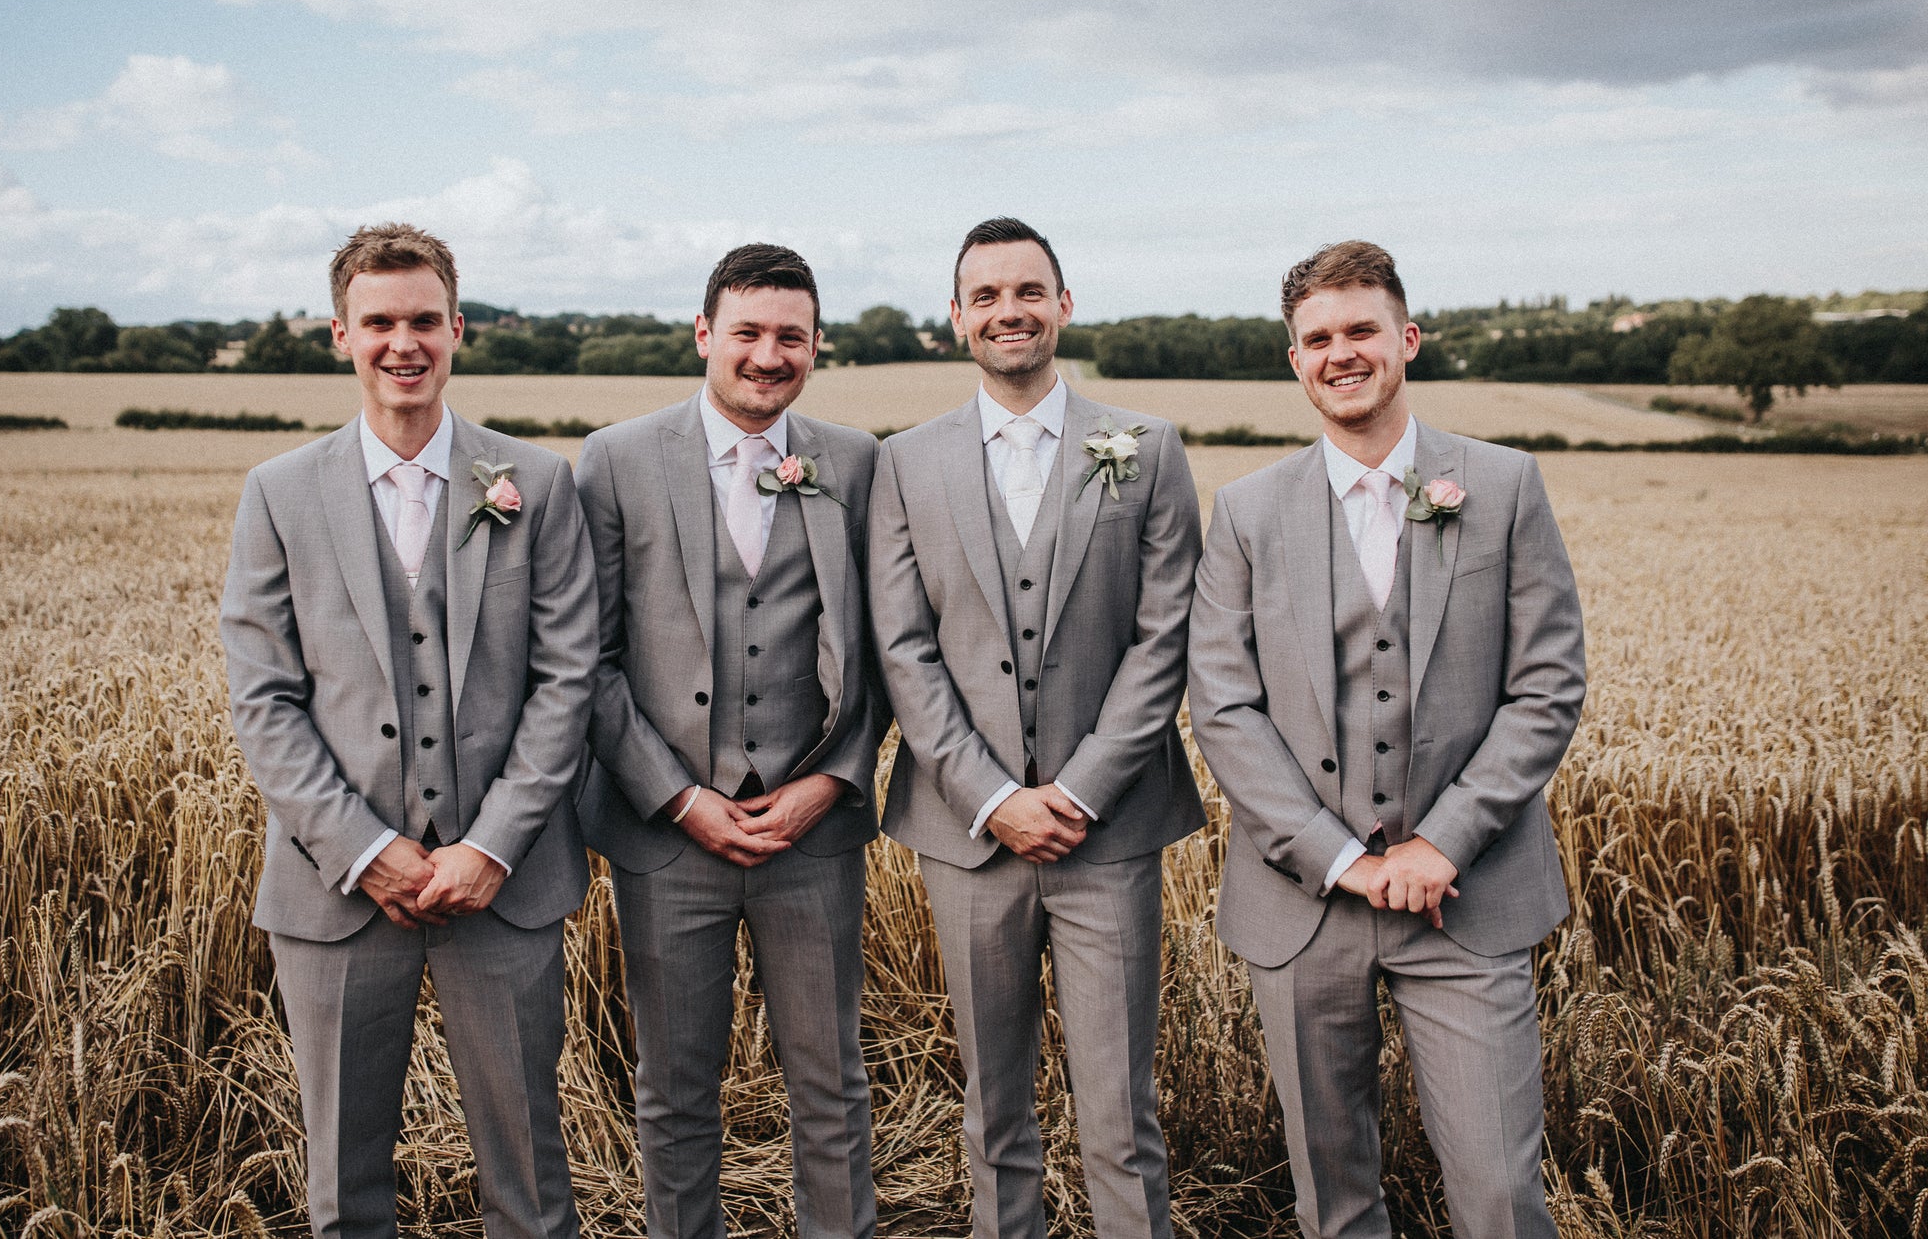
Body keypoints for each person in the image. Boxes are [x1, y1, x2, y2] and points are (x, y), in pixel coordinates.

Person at [1187, 240, 1587, 1239]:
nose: (1339, 353)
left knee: (1497, 1194)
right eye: (1314, 338)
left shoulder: (1499, 486)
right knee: (1335, 1201)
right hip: (1300, 908)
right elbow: (1224, 709)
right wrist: (1337, 860)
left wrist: (1438, 842)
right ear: (1293, 361)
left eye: (1359, 329)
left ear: (1404, 339)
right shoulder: (1243, 512)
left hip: (1470, 900)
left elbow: (1544, 688)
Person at [220, 222, 598, 1239]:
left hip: (503, 888)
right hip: (334, 895)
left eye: (423, 320)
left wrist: (490, 848)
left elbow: (566, 682)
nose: (403, 343)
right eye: (378, 321)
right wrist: (368, 852)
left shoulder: (536, 483)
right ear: (339, 334)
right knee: (344, 1189)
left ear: (457, 329)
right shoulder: (280, 494)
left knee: (529, 1172)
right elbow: (264, 701)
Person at [869, 217, 1204, 1238]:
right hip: (966, 840)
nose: (1007, 311)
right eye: (985, 296)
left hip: (1110, 832)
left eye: (1027, 292)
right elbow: (904, 649)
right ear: (956, 320)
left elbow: (1164, 637)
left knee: (1118, 1112)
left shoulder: (1146, 451)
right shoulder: (904, 464)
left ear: (1063, 305)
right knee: (993, 1109)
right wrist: (993, 798)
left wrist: (1080, 789)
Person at [575, 244, 886, 1239]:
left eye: (788, 336)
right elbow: (589, 657)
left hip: (813, 839)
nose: (766, 354)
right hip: (670, 840)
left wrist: (829, 784)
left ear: (814, 345)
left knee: (831, 1084)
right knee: (673, 1091)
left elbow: (889, 648)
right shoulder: (617, 460)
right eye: (746, 332)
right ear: (704, 335)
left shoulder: (856, 462)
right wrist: (677, 798)